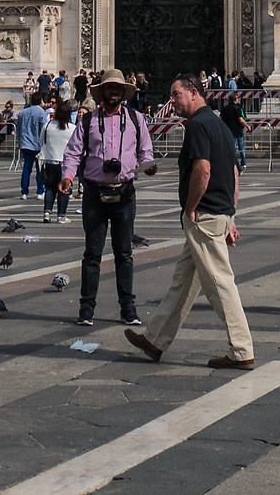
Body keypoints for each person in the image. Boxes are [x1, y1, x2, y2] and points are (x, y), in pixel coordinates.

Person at [127, 77, 255, 369]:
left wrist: (190, 208)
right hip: (219, 214)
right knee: (183, 282)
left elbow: (203, 170)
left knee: (220, 285)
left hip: (204, 217)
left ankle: (241, 349)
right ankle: (156, 340)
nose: (172, 101)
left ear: (194, 93)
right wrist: (231, 215)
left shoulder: (197, 125)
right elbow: (234, 172)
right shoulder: (220, 125)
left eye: (176, 94)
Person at [61, 71, 154, 328]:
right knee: (92, 254)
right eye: (109, 88)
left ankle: (128, 307)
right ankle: (86, 308)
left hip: (124, 192)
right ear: (102, 92)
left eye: (117, 89)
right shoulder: (89, 120)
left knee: (124, 254)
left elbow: (145, 152)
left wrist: (149, 166)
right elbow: (73, 152)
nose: (114, 92)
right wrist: (68, 176)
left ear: (123, 93)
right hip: (94, 193)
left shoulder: (136, 119)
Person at [37, 101, 76, 221]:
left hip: (50, 161)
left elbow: (41, 141)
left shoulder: (48, 126)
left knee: (50, 188)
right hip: (65, 163)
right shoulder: (72, 128)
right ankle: (61, 215)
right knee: (65, 189)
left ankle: (47, 213)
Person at [15, 92, 50, 201]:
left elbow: (19, 128)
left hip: (26, 144)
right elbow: (44, 129)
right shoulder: (41, 113)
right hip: (38, 145)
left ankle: (24, 192)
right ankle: (40, 191)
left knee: (26, 168)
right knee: (40, 169)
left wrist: (19, 142)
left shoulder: (22, 113)